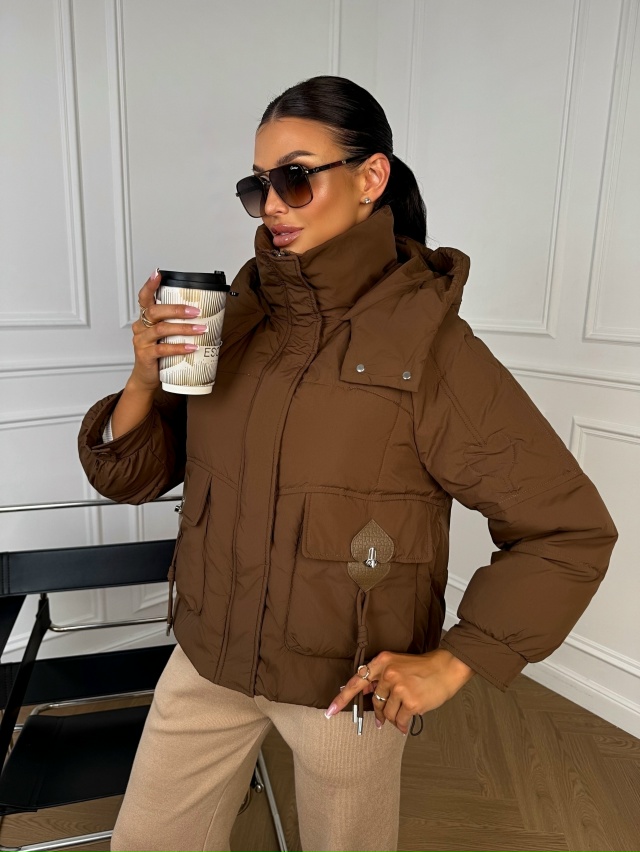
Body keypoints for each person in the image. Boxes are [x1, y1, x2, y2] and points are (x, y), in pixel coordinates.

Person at [78, 75, 618, 852]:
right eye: (258, 186)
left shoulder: (430, 349)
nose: (272, 205)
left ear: (371, 178)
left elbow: (567, 530)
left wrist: (458, 660)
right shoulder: (241, 318)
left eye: (295, 178)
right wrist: (142, 378)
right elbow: (130, 475)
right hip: (208, 658)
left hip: (343, 688)